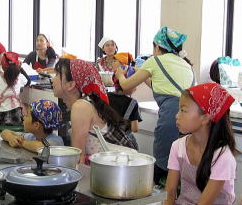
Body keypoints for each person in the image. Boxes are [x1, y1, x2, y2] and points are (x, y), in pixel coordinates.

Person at [115, 26, 195, 184]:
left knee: (163, 168)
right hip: (191, 116)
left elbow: (125, 85)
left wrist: (119, 74)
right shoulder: (185, 64)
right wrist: (145, 74)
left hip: (172, 117)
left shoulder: (155, 61)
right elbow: (163, 85)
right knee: (181, 166)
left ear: (157, 47)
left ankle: (161, 202)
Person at [164, 83, 236, 205]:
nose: (177, 116)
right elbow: (170, 192)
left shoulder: (223, 157)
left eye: (183, 110)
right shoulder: (177, 146)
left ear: (205, 118)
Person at [52, 58, 137, 164]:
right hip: (115, 167)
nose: (52, 79)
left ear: (71, 85)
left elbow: (79, 157)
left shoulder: (81, 107)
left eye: (56, 75)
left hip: (122, 169)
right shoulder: (85, 103)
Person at [108, 52, 142, 150]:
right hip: (124, 143)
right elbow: (135, 129)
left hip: (109, 140)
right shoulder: (132, 103)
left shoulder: (108, 97)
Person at [0, 52, 29, 125]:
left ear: (2, 65)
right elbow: (28, 81)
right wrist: (20, 69)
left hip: (2, 114)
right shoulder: (20, 77)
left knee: (3, 130)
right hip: (17, 114)